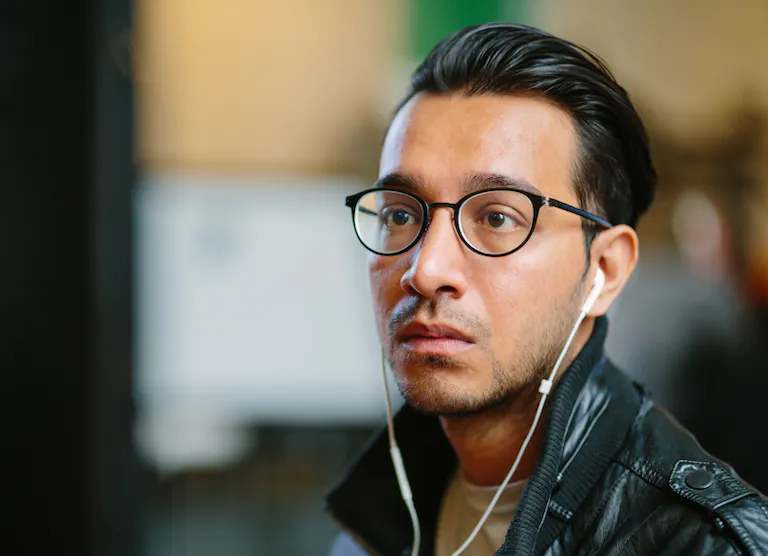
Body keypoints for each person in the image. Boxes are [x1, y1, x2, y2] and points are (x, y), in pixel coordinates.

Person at [325, 23, 768, 555]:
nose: (425, 269)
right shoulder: (373, 526)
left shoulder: (700, 545)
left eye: (497, 217)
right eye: (400, 213)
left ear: (604, 270)